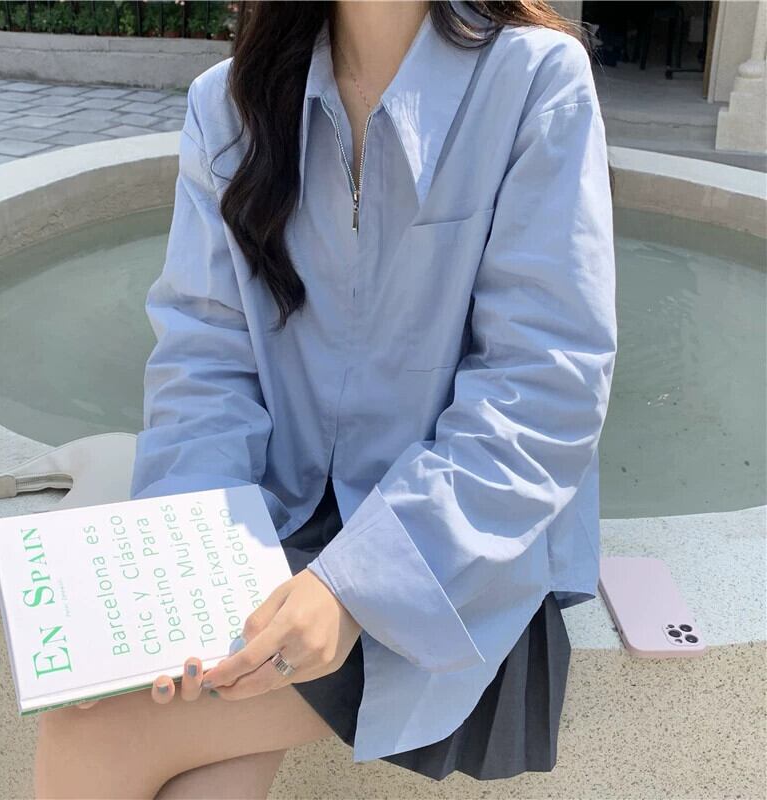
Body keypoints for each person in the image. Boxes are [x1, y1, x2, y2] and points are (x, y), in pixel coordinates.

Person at [34, 1, 617, 797]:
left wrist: (352, 589)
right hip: (272, 529)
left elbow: (543, 391)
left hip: (451, 561)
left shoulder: (534, 82)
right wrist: (193, 577)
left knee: (91, 731)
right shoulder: (231, 104)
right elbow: (205, 358)